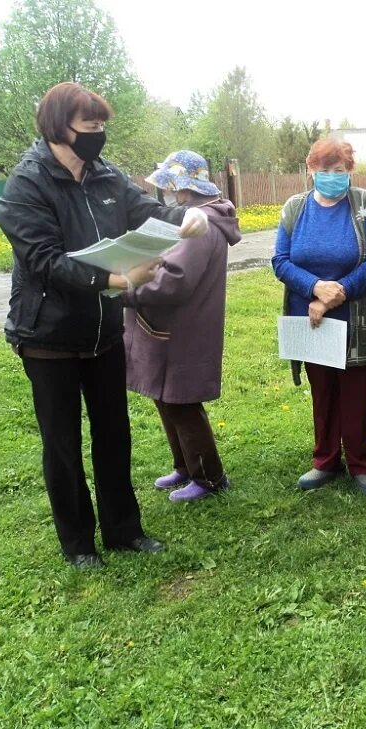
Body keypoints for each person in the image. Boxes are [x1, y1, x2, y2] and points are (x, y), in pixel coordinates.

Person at [0, 82, 210, 569]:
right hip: (49, 336)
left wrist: (184, 216)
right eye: (89, 125)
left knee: (114, 433)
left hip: (104, 331)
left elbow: (146, 208)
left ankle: (124, 529)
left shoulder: (106, 174)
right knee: (63, 444)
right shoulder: (26, 186)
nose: (98, 133)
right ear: (58, 128)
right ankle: (77, 543)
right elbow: (44, 260)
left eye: (100, 125)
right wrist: (116, 279)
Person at [272, 139, 366, 494]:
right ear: (311, 170)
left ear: (349, 170)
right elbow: (280, 261)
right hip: (310, 318)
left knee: (357, 394)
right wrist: (314, 288)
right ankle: (325, 460)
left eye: (338, 170)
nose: (331, 176)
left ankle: (362, 462)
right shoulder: (295, 208)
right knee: (322, 392)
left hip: (357, 316)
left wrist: (335, 294)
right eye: (324, 170)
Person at [122, 151, 241, 502]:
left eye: (171, 185)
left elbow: (174, 282)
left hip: (181, 330)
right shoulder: (193, 216)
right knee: (167, 400)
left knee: (181, 403)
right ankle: (185, 467)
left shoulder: (200, 225)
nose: (168, 192)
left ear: (183, 186)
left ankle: (209, 477)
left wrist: (126, 287)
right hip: (170, 328)